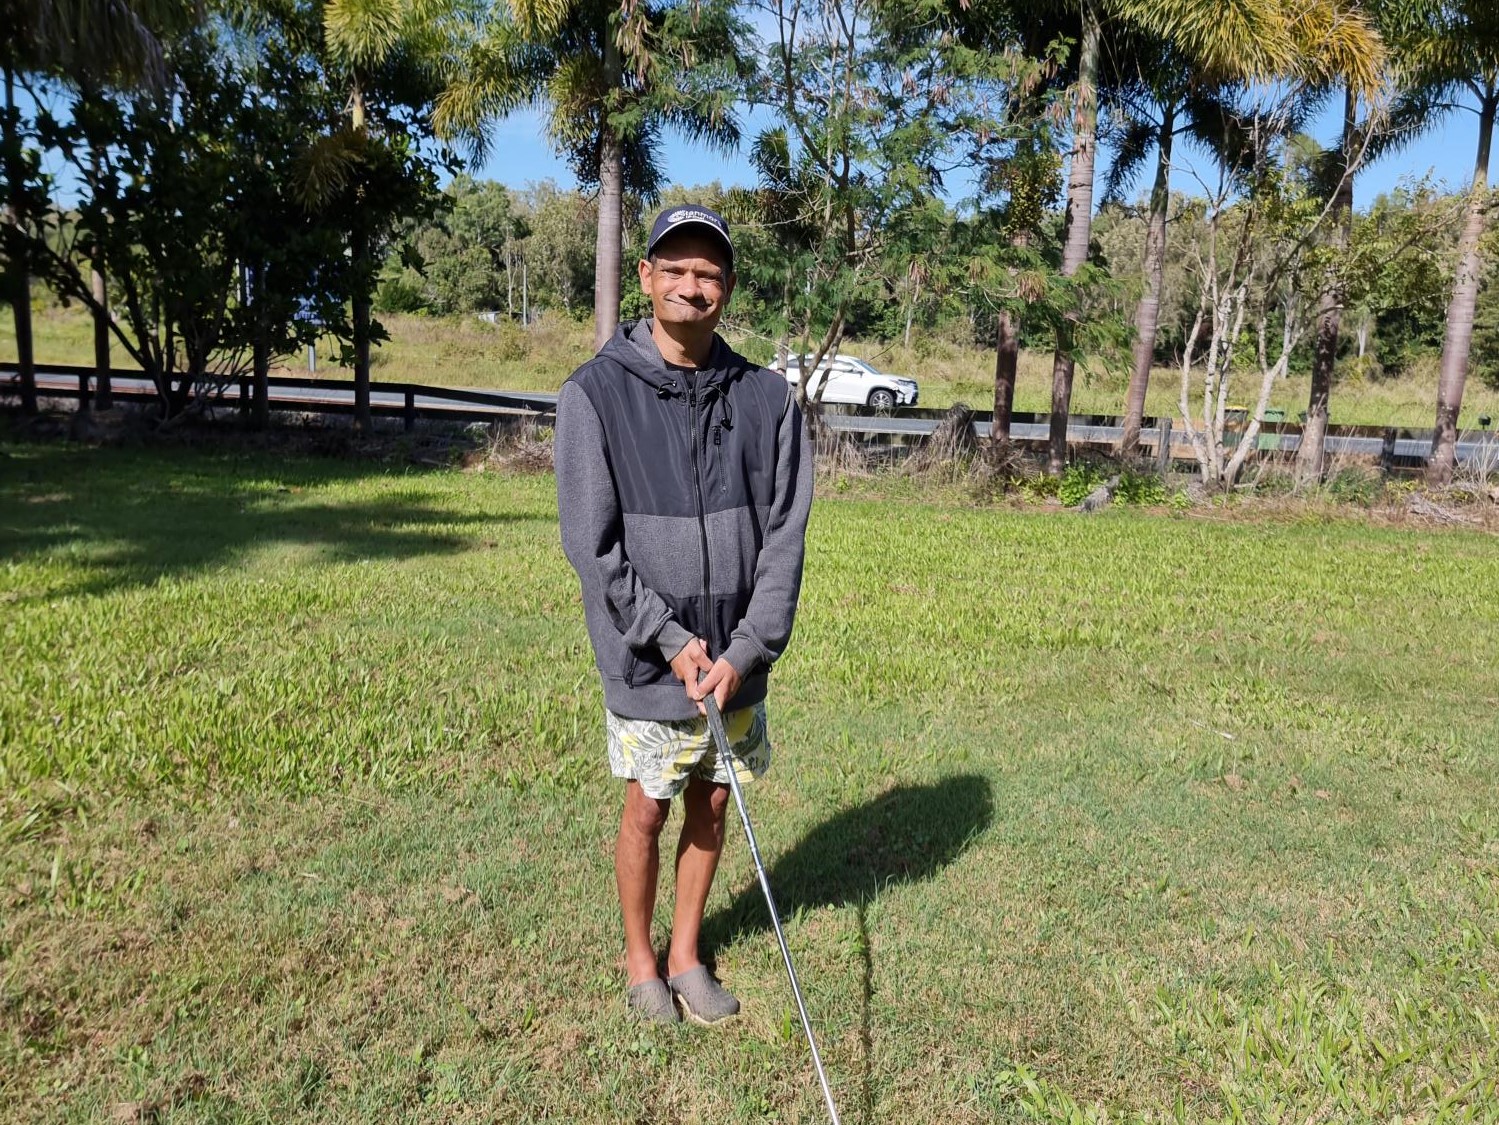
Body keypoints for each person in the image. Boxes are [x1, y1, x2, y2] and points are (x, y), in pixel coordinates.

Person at [554, 205, 813, 1025]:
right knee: (650, 803)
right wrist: (670, 642)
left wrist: (745, 647)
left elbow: (784, 539)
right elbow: (591, 545)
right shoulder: (593, 394)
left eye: (707, 273)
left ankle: (685, 952)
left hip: (734, 661)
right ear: (646, 278)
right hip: (648, 657)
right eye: (675, 269)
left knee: (712, 800)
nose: (690, 286)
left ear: (727, 289)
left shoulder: (768, 399)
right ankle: (640, 962)